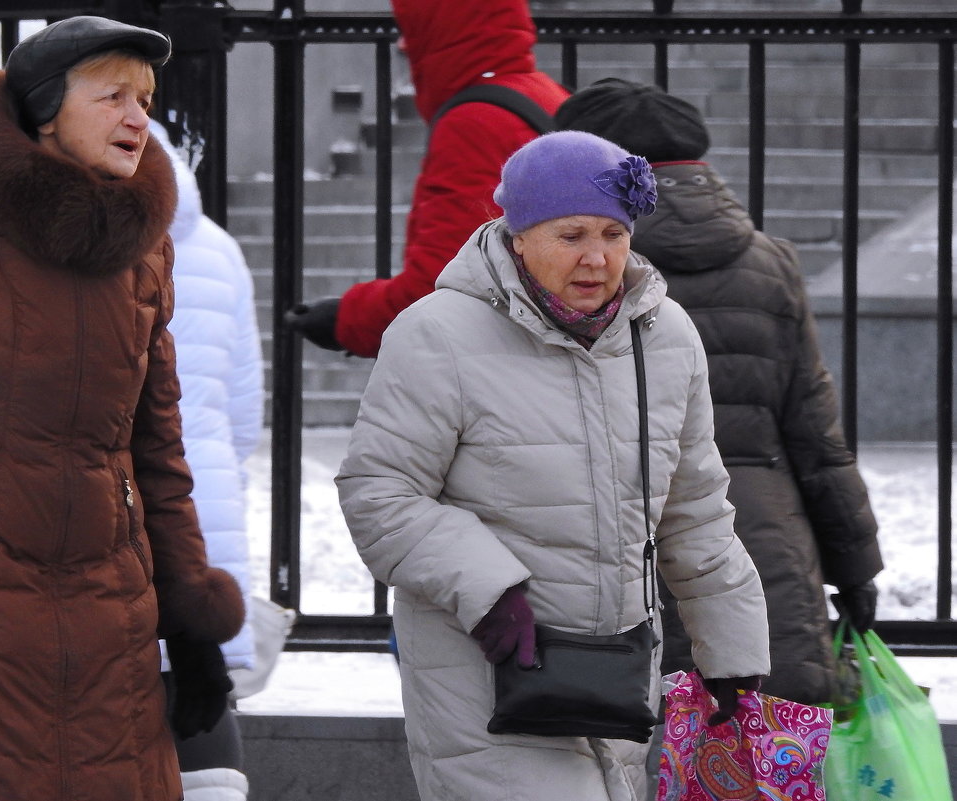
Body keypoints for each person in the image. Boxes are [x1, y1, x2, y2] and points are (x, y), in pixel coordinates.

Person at [335, 130, 771, 801]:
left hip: (615, 678)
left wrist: (732, 655)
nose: (597, 257)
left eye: (612, 233)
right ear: (518, 237)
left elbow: (695, 510)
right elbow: (380, 491)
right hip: (485, 670)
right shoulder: (438, 333)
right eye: (570, 235)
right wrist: (488, 590)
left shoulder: (664, 335)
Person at [0, 16, 243, 801]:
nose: (137, 117)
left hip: (106, 621)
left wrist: (189, 617)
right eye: (113, 95)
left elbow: (156, 446)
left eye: (145, 99)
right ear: (45, 109)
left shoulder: (144, 250)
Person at [554, 78, 884, 706]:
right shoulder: (770, 262)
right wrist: (855, 566)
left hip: (611, 552)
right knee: (750, 766)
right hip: (760, 557)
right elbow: (815, 434)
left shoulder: (569, 267)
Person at [285, 0, 569, 357]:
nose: (403, 45)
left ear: (440, 30)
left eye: (409, 29)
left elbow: (443, 287)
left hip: (493, 364)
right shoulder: (544, 96)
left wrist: (347, 319)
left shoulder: (474, 122)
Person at [149, 119, 263, 774]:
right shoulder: (217, 246)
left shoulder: (57, 241)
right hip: (202, 515)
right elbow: (246, 416)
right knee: (199, 716)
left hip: (104, 528)